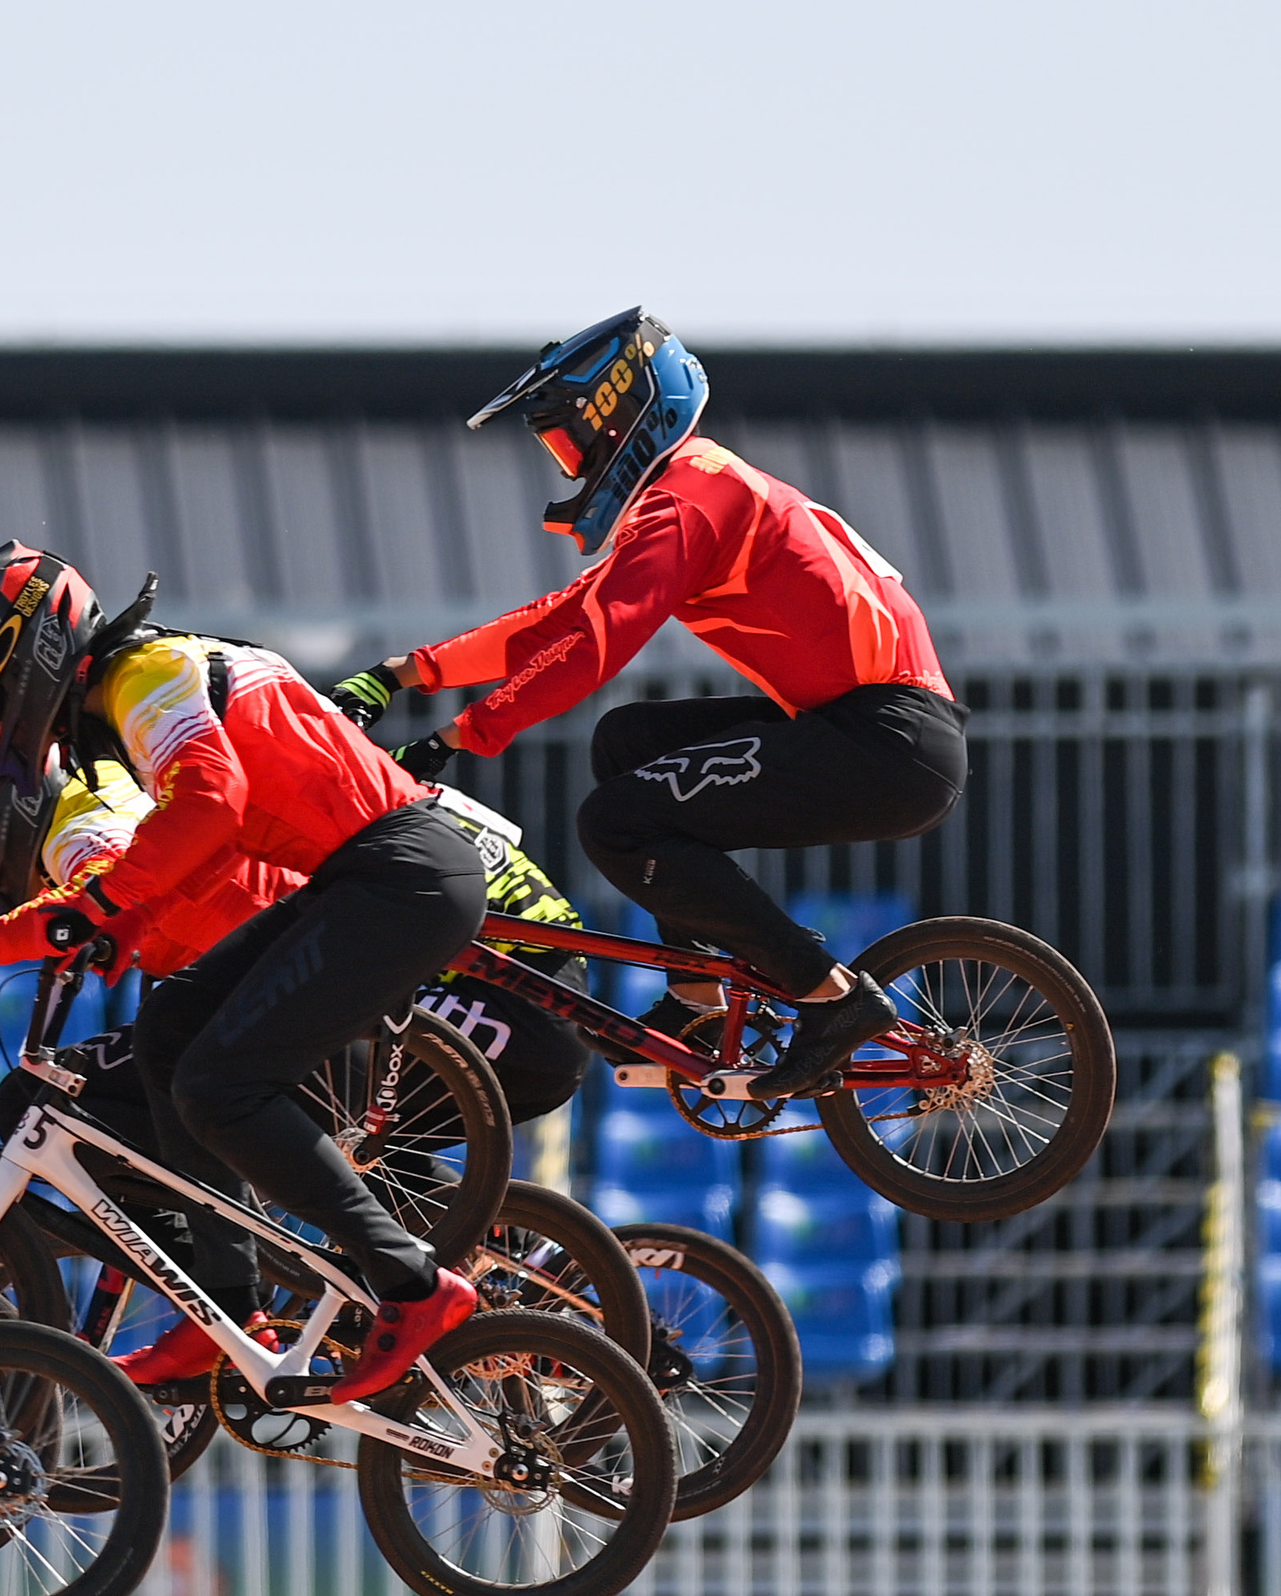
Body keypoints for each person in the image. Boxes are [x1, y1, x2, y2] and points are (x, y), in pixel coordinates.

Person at [0, 543, 483, 1395]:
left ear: (26, 651)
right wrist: (120, 918)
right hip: (366, 878)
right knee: (171, 1031)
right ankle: (226, 1310)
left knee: (218, 1086)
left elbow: (209, 800)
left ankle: (409, 1282)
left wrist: (102, 909)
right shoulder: (139, 687)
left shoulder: (143, 676)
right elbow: (206, 841)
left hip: (397, 875)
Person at [332, 307, 967, 1103]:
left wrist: (462, 733)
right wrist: (407, 673)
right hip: (868, 727)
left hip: (884, 743)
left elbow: (599, 639)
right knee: (629, 742)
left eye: (567, 441)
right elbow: (565, 617)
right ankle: (701, 999)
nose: (568, 466)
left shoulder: (688, 502)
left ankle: (827, 996)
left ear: (622, 413)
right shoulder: (694, 486)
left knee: (618, 822)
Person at [0, 727, 595, 1140]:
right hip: (493, 999)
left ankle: (216, 1285)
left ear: (4, 818)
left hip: (510, 1007)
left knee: (46, 1099)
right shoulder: (113, 792)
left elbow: (109, 879)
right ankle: (525, 1270)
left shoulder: (81, 828)